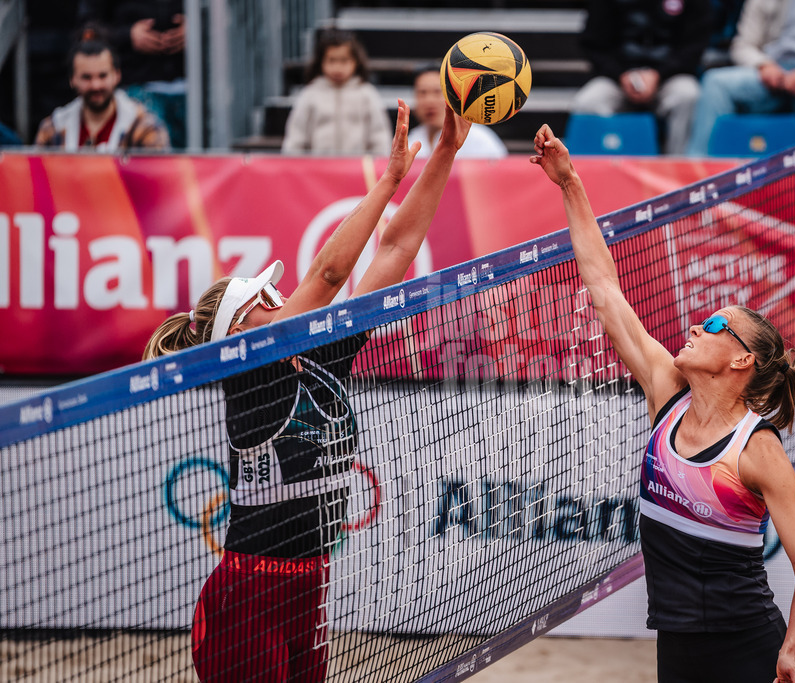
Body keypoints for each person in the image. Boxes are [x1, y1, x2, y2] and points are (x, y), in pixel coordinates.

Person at [144, 100, 470, 681]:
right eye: (264, 301)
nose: (278, 299)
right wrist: (390, 176)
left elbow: (395, 250)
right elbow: (326, 276)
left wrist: (445, 149)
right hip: (248, 593)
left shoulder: (321, 358)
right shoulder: (250, 376)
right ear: (238, 333)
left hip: (310, 582)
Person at [530, 123, 795, 683]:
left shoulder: (757, 449)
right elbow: (603, 284)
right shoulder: (667, 394)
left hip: (747, 646)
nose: (695, 324)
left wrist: (790, 650)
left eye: (715, 324)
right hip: (676, 645)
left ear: (742, 361)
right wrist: (568, 182)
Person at [687, 0, 795, 156]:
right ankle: (698, 169)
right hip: (769, 69)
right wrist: (764, 65)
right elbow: (742, 45)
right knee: (715, 83)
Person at [571, 0, 713, 155]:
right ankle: (592, 174)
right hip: (618, 78)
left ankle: (679, 169)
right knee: (588, 102)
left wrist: (659, 74)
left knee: (688, 95)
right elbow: (593, 44)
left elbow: (694, 45)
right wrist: (621, 75)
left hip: (670, 77)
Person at [34, 29, 170, 151]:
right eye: (86, 77)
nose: (96, 85)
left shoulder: (146, 128)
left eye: (102, 76)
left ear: (117, 75)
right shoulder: (52, 129)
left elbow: (157, 178)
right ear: (72, 80)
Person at [77, 1, 187, 149]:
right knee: (147, 166)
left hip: (192, 90)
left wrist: (197, 26)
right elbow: (88, 29)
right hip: (134, 89)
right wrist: (128, 34)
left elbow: (222, 17)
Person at [282, 28, 391, 156]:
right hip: (318, 170)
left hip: (356, 170)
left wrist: (378, 167)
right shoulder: (310, 95)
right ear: (321, 62)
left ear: (356, 61)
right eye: (332, 60)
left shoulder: (367, 94)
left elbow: (380, 137)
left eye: (344, 60)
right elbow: (296, 137)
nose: (337, 68)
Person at [409, 64, 507, 159]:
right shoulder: (412, 139)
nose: (429, 101)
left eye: (437, 92)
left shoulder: (480, 139)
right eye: (422, 93)